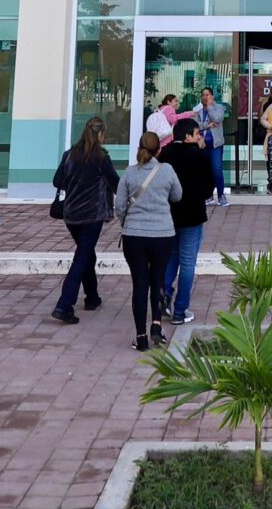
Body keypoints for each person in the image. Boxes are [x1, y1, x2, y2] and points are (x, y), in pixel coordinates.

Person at [114, 129, 183, 351]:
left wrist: (127, 222)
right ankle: (156, 325)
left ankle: (141, 336)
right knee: (158, 280)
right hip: (162, 234)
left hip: (134, 236)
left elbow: (119, 206)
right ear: (158, 150)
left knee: (140, 284)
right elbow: (177, 196)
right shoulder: (167, 170)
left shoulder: (129, 173)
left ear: (139, 148)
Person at [50, 115, 119, 325]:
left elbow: (57, 181)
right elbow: (116, 183)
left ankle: (92, 297)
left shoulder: (69, 154)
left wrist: (75, 185)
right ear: (101, 134)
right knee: (81, 258)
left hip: (71, 215)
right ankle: (64, 305)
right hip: (92, 216)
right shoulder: (101, 157)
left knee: (87, 253)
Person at [159, 115, 216, 325]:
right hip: (192, 215)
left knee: (171, 258)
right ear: (188, 136)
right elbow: (209, 186)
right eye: (197, 134)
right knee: (188, 263)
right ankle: (180, 310)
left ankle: (164, 296)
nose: (200, 137)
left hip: (169, 214)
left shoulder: (165, 154)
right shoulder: (198, 155)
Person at [195, 86, 229, 207]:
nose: (205, 97)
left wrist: (209, 107)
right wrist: (207, 125)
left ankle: (221, 195)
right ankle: (208, 195)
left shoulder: (219, 107)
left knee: (217, 169)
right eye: (203, 95)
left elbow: (217, 119)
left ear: (212, 96)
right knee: (205, 170)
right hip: (202, 144)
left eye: (207, 95)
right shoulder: (198, 110)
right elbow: (195, 125)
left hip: (215, 144)